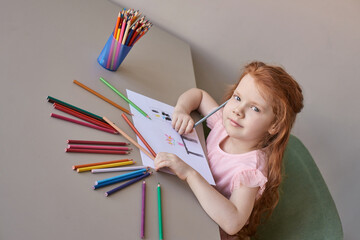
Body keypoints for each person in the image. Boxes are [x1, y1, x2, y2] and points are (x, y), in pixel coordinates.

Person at [154, 61, 304, 239]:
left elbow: (233, 223)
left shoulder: (250, 171)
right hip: (189, 200)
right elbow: (199, 96)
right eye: (238, 98)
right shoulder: (223, 124)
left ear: (274, 125)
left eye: (255, 108)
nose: (238, 111)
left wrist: (190, 174)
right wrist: (181, 110)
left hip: (209, 227)